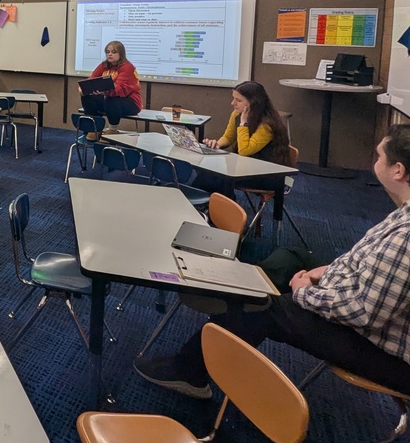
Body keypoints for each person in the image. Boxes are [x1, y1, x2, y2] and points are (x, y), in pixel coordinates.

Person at [135, 125, 410, 399]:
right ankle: (230, 304)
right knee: (288, 259)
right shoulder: (402, 213)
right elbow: (366, 264)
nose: (374, 160)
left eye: (379, 156)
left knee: (260, 307)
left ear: (397, 171)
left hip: (386, 352)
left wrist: (305, 292)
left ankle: (190, 370)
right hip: (366, 304)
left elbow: (363, 312)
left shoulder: (405, 237)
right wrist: (327, 271)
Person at [195, 81, 291, 198]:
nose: (233, 103)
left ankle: (224, 211)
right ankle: (205, 205)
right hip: (245, 167)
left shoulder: (267, 125)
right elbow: (228, 137)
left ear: (254, 103)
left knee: (219, 177)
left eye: (238, 100)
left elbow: (244, 150)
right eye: (233, 99)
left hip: (266, 173)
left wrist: (243, 124)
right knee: (207, 172)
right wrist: (217, 144)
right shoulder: (236, 114)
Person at [79, 41, 141, 129]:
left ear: (121, 54)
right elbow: (91, 79)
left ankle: (112, 129)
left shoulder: (127, 67)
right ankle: (93, 129)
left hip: (131, 102)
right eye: (108, 52)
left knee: (111, 99)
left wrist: (103, 92)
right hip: (108, 99)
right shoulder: (104, 65)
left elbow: (118, 89)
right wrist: (83, 89)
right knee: (87, 97)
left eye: (113, 52)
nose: (110, 54)